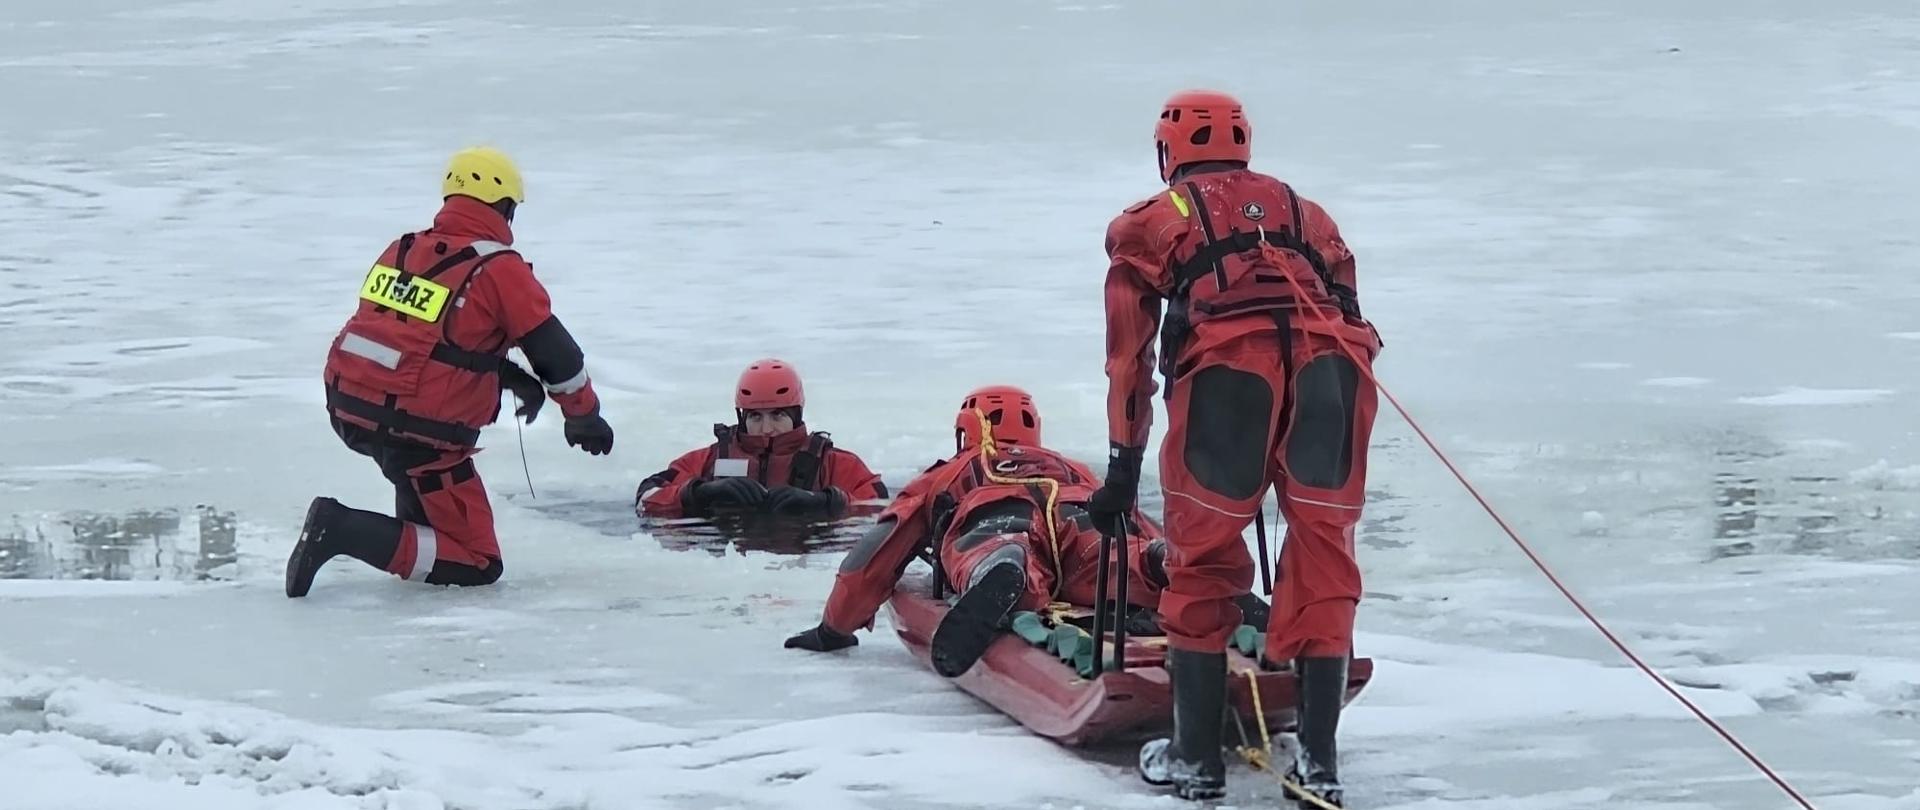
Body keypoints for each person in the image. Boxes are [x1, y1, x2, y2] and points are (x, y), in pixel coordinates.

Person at [1087, 90, 1382, 805]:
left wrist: (1123, 467)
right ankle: (1319, 766)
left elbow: (1129, 360)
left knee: (1202, 563)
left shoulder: (1149, 221)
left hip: (1228, 382)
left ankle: (1195, 760)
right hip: (1333, 376)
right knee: (1325, 557)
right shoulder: (1308, 212)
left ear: (1167, 152)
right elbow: (1347, 301)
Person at [287, 146, 616, 598]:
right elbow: (557, 354)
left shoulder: (404, 249)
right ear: (504, 206)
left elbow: (427, 338)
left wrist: (510, 378)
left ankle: (398, 536)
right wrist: (584, 416)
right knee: (477, 561)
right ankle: (339, 528)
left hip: (352, 406)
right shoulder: (499, 268)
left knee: (426, 525)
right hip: (417, 432)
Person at [784, 385, 1168, 679]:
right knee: (1118, 555)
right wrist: (1157, 542)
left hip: (997, 515)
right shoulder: (1072, 466)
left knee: (997, 543)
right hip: (1081, 513)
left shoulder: (951, 471)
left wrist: (834, 627)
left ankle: (1003, 565)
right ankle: (1159, 563)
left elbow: (878, 548)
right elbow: (1125, 514)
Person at [635, 358, 887, 521]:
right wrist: (699, 493)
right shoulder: (709, 460)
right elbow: (647, 498)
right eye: (755, 416)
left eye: (777, 415)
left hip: (804, 567)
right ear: (742, 417)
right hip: (729, 566)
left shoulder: (833, 463)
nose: (766, 428)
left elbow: (881, 507)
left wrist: (825, 502)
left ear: (796, 414)